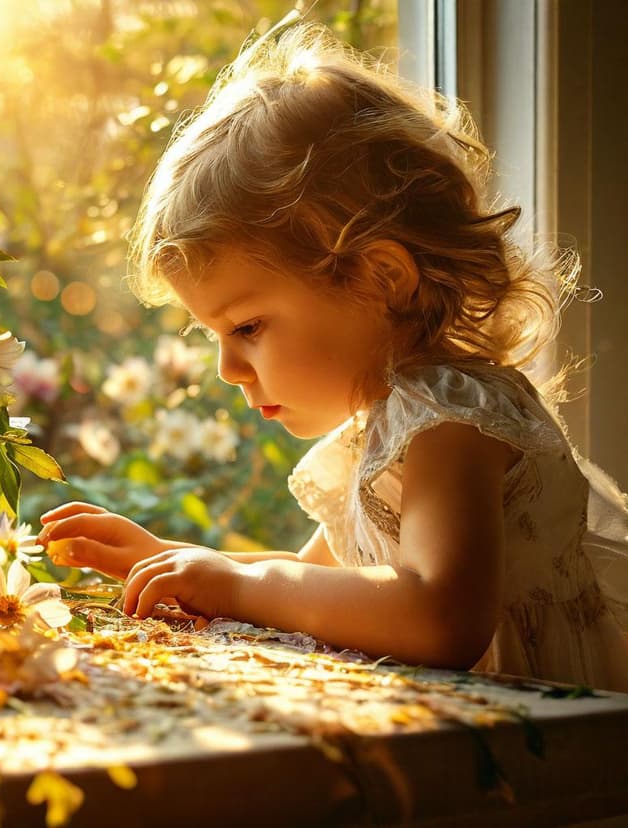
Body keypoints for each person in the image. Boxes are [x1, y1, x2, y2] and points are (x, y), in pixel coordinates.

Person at [38, 17, 628, 691]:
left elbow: (439, 619)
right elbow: (326, 585)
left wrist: (234, 583)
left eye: (249, 327)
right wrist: (179, 560)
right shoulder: (383, 429)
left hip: (568, 766)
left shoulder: (451, 418)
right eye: (215, 336)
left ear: (381, 279)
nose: (228, 370)